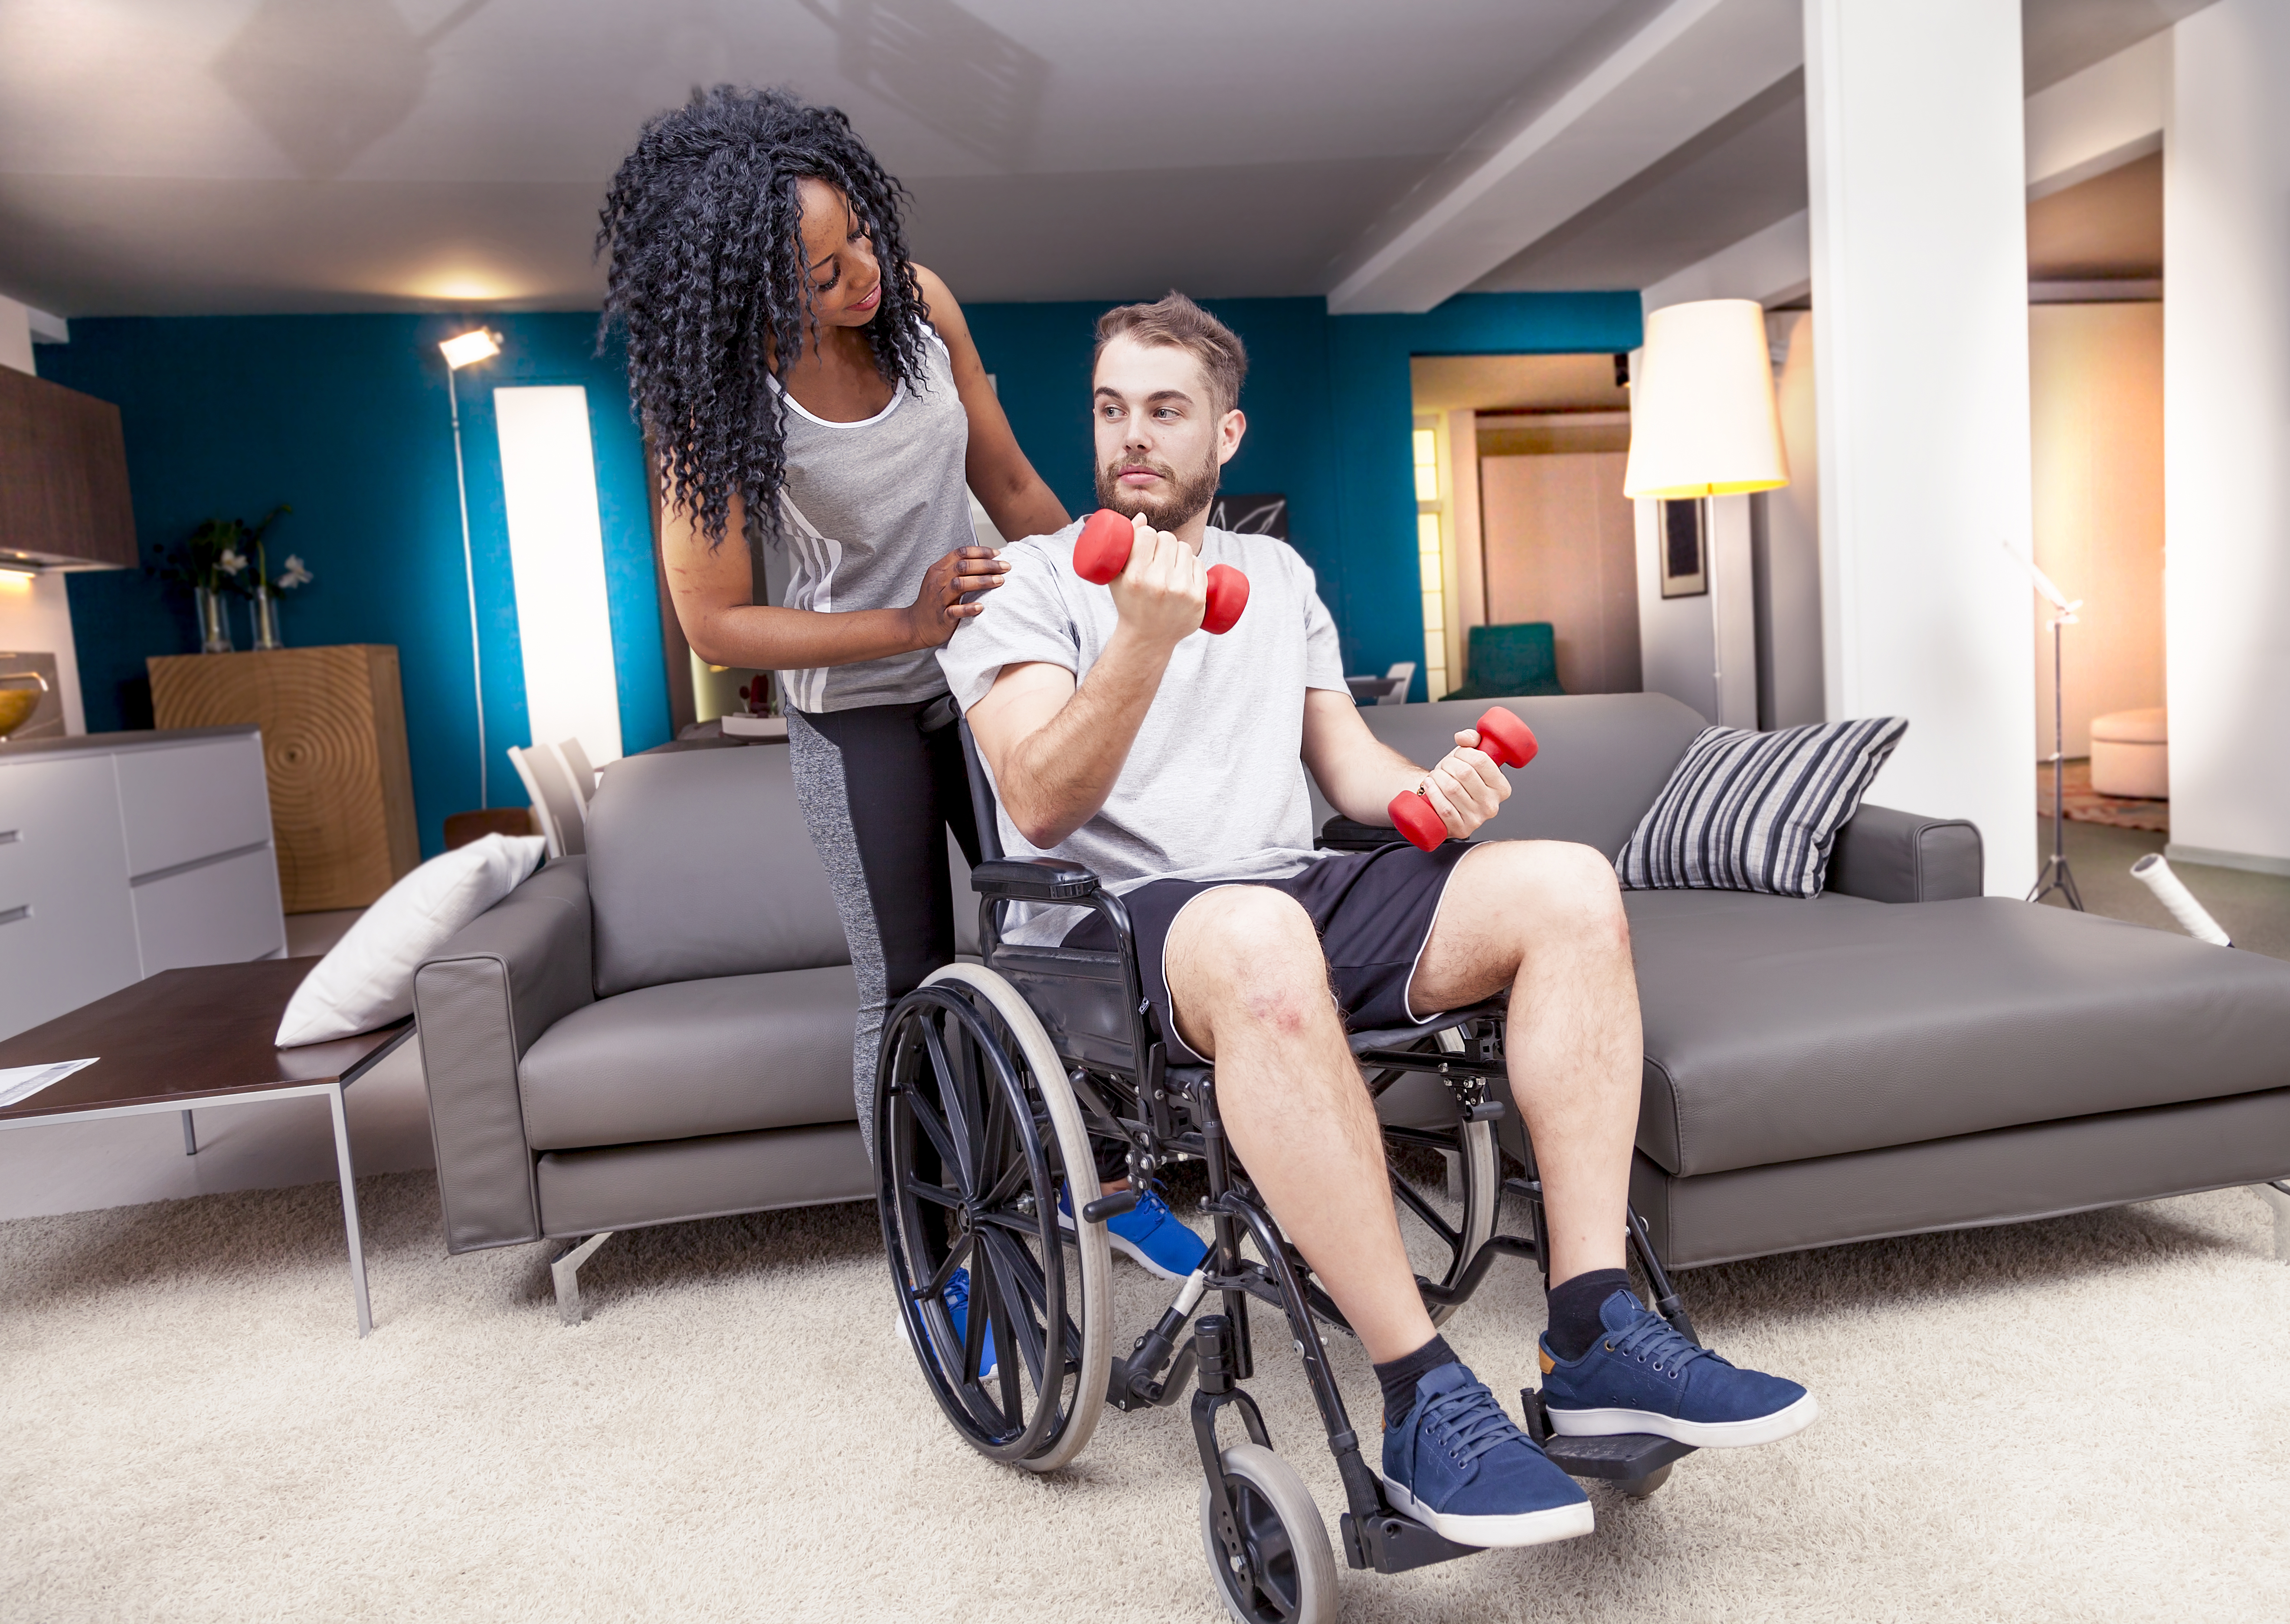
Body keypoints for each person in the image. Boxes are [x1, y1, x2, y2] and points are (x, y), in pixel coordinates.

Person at [938, 292, 1816, 1548]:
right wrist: (1136, 643)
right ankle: (1419, 1396)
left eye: (1166, 411)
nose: (1133, 436)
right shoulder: (1024, 586)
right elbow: (1037, 795)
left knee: (1568, 882)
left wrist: (1431, 796)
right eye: (1110, 409)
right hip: (1122, 920)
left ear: (1226, 435)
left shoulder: (1281, 577)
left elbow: (1348, 770)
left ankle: (1594, 1329)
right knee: (1258, 934)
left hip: (1289, 882)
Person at [596, 90, 1204, 1340]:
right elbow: (717, 624)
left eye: (863, 239)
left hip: (998, 668)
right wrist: (907, 628)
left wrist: (1131, 580)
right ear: (757, 289)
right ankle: (953, 1252)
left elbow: (1015, 483)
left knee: (1060, 939)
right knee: (915, 974)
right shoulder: (719, 399)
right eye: (822, 273)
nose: (864, 275)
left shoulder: (922, 305)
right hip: (858, 697)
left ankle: (1116, 1184)